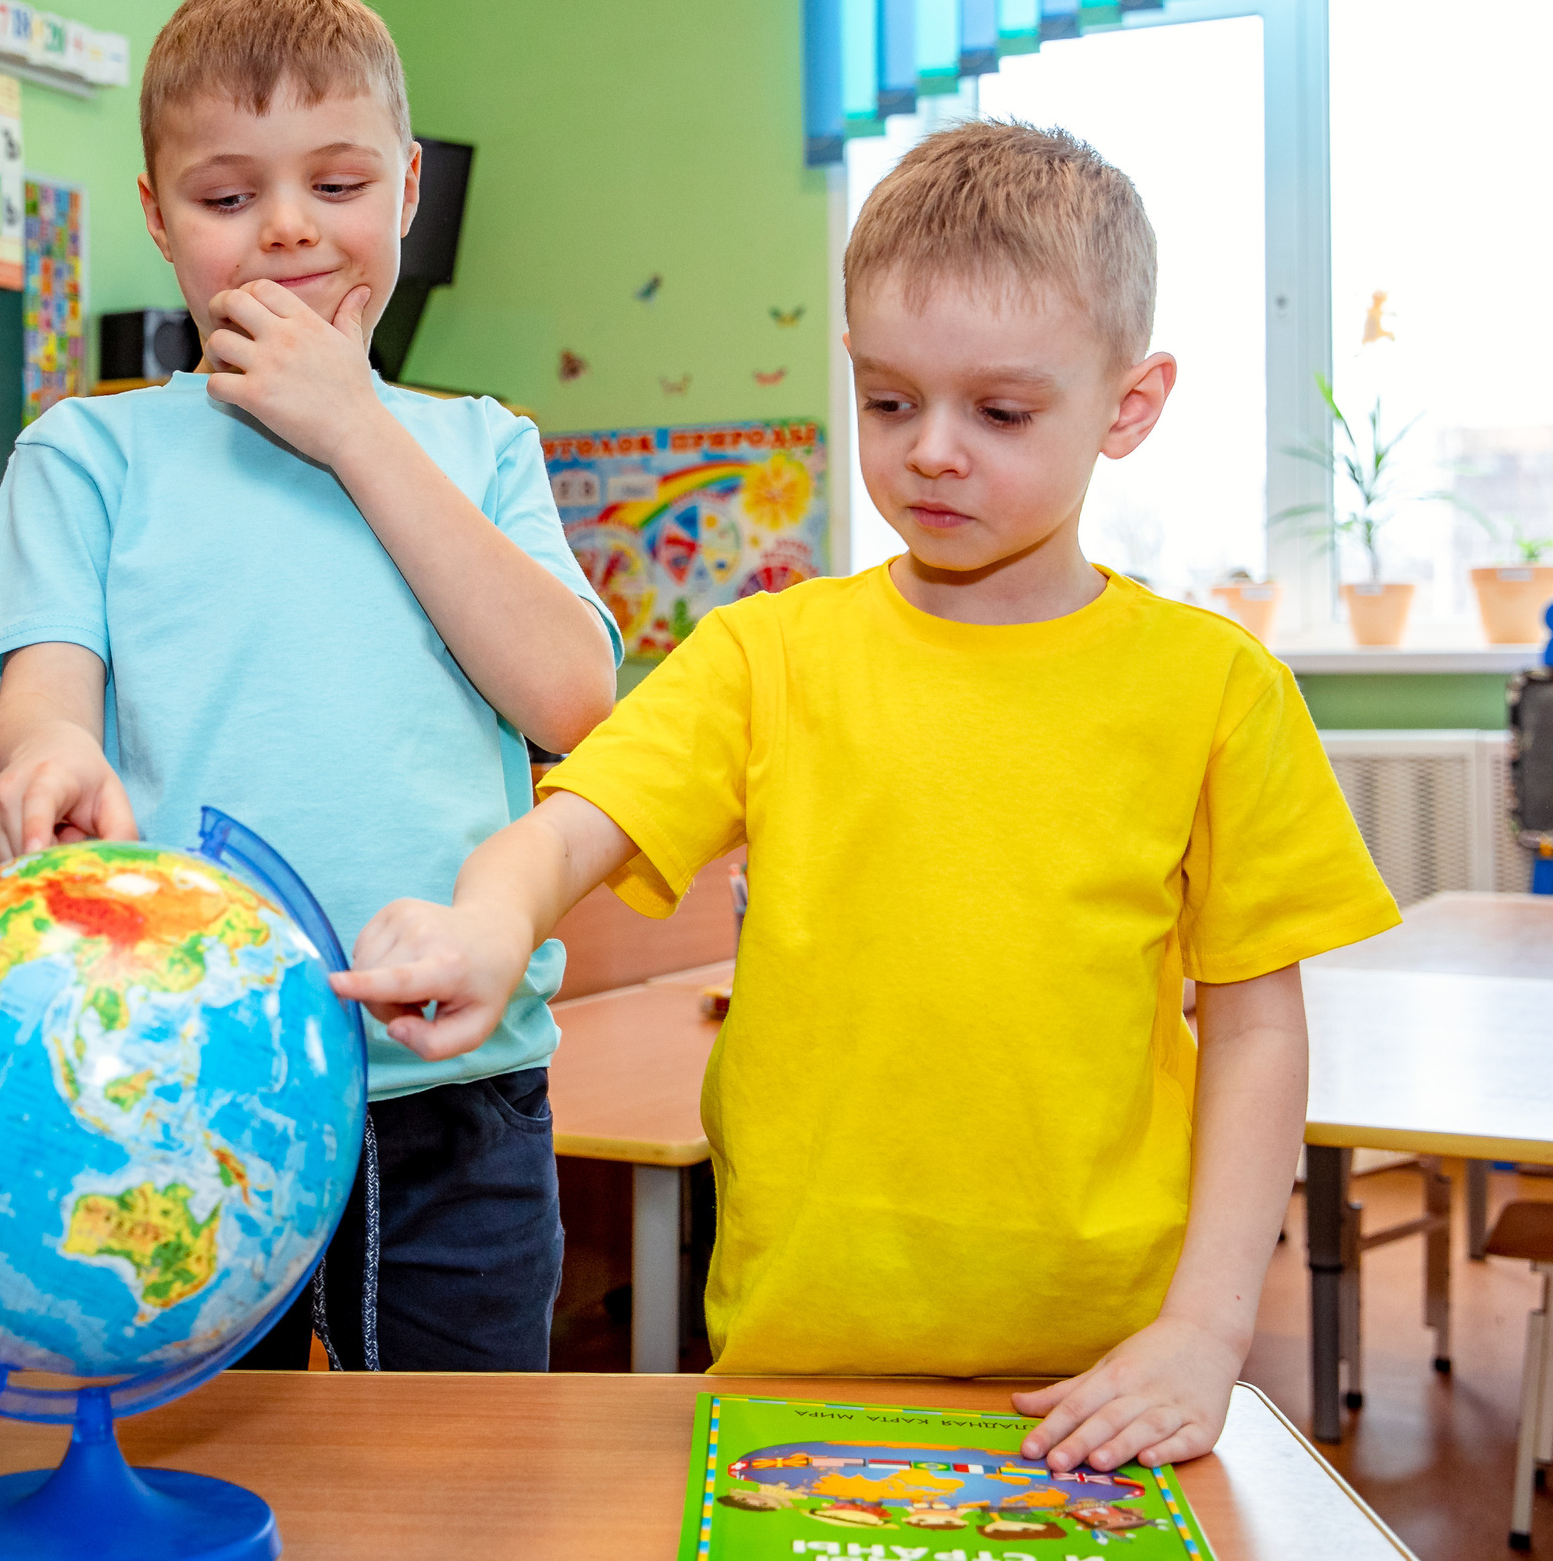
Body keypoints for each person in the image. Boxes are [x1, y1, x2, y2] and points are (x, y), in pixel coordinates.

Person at [332, 120, 1399, 1468]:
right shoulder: (765, 657)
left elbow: (1255, 1032)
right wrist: (489, 924)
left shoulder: (1216, 690)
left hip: (1105, 1370)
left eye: (1000, 412)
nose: (933, 452)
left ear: (1128, 404)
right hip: (803, 1349)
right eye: (890, 402)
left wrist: (1204, 1331)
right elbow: (566, 829)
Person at [0, 0, 622, 1372]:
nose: (290, 229)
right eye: (228, 195)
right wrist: (47, 760)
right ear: (157, 216)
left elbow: (572, 699)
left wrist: (353, 426)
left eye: (338, 182)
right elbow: (44, 706)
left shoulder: (484, 444)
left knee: (453, 1488)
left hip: (447, 1077)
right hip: (169, 1082)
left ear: (409, 188)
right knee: (176, 1460)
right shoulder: (89, 454)